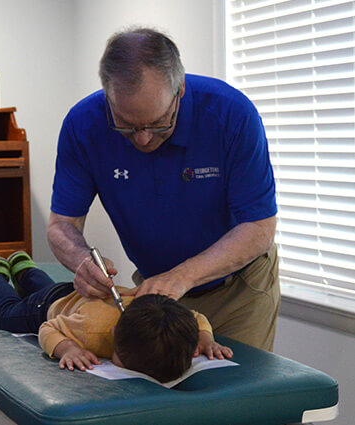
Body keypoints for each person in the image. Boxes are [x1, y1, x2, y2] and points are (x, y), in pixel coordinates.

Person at [48, 27, 280, 352]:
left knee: (233, 395)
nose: (142, 139)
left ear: (180, 90)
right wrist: (81, 260)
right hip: (157, 292)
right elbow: (62, 225)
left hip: (237, 289)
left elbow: (259, 228)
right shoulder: (82, 125)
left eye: (158, 124)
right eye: (126, 126)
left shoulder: (232, 115)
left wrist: (183, 275)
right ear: (108, 96)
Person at [0, 252, 233, 383]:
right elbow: (49, 327)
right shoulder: (89, 331)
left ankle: (23, 267)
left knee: (45, 287)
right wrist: (67, 348)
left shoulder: (174, 318)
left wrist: (206, 338)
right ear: (114, 333)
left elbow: (196, 317)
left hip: (75, 297)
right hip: (47, 307)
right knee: (11, 315)